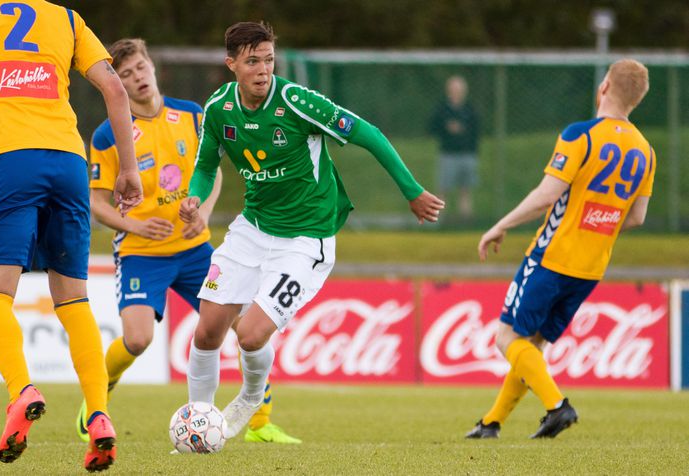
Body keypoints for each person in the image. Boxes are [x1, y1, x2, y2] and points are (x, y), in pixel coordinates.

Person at [179, 21, 444, 440]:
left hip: (305, 239)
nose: (263, 69)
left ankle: (251, 397)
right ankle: (198, 424)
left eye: (268, 59)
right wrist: (194, 198)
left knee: (249, 337)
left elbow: (368, 133)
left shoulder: (297, 101)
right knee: (208, 328)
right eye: (252, 61)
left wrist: (411, 191)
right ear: (231, 64)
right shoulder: (217, 109)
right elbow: (206, 166)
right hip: (253, 228)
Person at [80, 38, 301, 445]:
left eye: (141, 67)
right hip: (141, 253)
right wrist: (135, 227)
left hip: (196, 248)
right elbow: (95, 201)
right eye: (125, 74)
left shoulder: (192, 115)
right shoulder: (109, 134)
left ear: (153, 66)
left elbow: (213, 170)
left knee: (247, 326)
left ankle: (259, 421)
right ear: (117, 82)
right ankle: (97, 397)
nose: (137, 77)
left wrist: (204, 210)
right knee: (138, 339)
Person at [0, 0, 143, 471]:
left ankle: (20, 391)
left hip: (10, 160)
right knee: (73, 299)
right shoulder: (67, 18)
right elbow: (114, 88)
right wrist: (128, 169)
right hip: (69, 161)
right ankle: (98, 415)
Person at [466, 59, 654, 439]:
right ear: (638, 100)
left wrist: (501, 225)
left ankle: (557, 406)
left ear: (604, 86)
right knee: (533, 345)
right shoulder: (646, 151)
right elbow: (637, 218)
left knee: (507, 339)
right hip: (591, 265)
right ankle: (492, 422)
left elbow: (546, 196)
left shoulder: (580, 135)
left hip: (552, 256)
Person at [428, 75, 479, 222]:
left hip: (467, 154)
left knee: (465, 190)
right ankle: (439, 221)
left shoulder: (470, 110)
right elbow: (432, 128)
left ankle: (465, 221)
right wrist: (447, 128)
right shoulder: (442, 110)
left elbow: (476, 131)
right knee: (443, 189)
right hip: (448, 154)